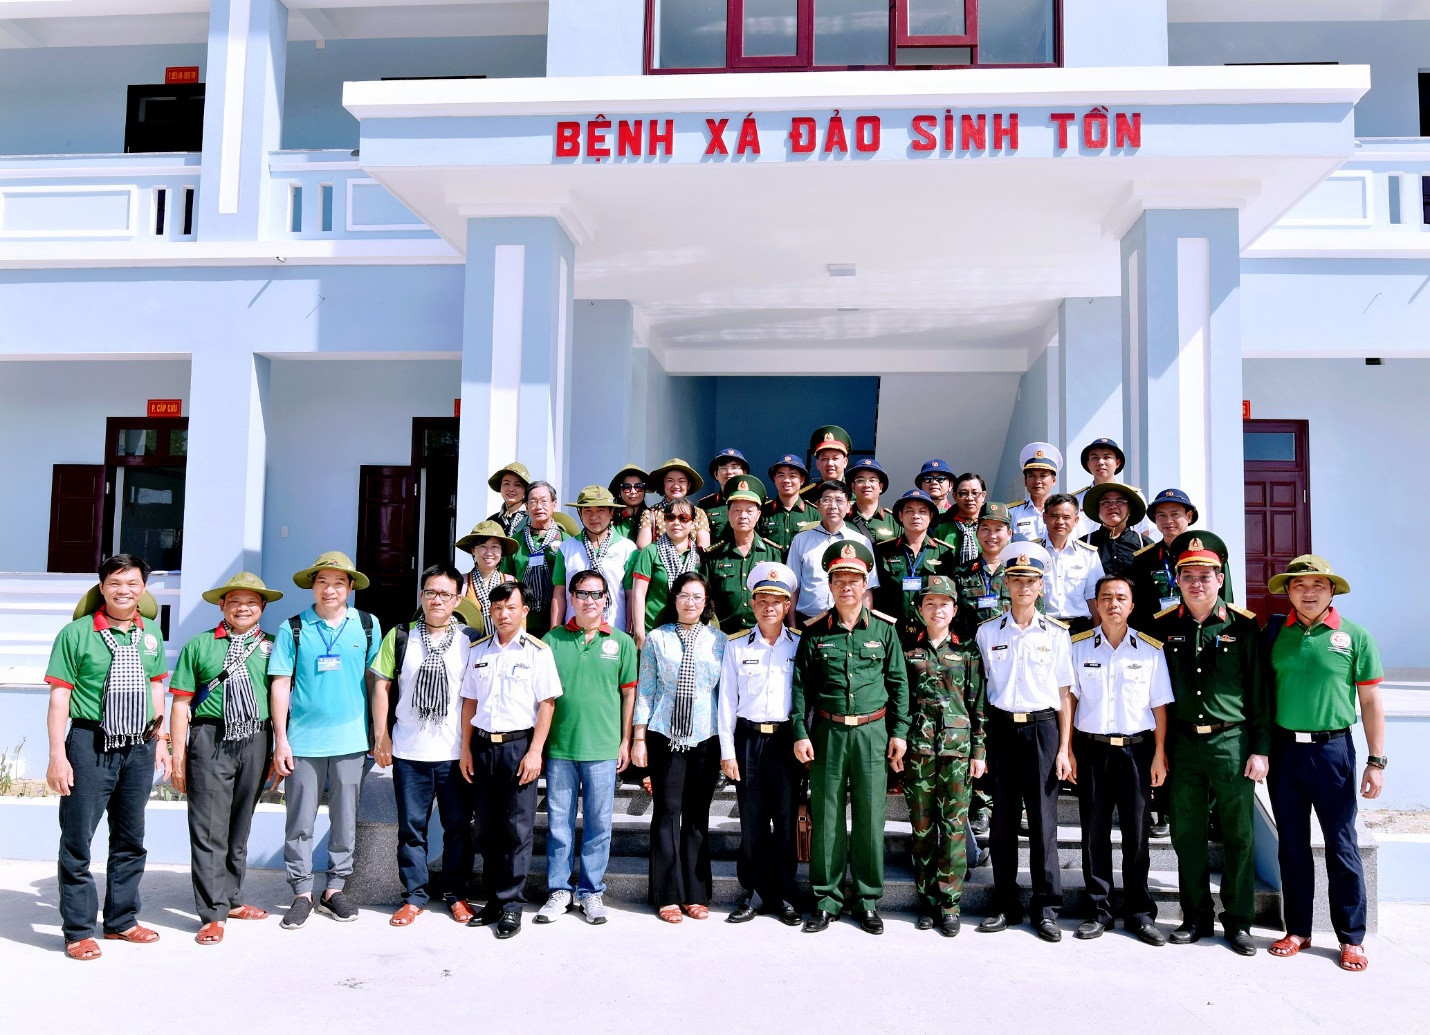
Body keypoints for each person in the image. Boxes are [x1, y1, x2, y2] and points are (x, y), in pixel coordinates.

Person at [44, 555, 171, 960]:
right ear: (102, 588)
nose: (124, 590)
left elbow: (156, 686)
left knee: (131, 838)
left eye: (132, 583)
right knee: (78, 840)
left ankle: (121, 920)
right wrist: (57, 756)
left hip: (139, 745)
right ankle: (78, 930)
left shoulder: (150, 632)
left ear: (143, 589)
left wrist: (161, 739)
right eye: (115, 582)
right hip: (90, 744)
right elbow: (59, 697)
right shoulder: (76, 634)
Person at [1149, 531, 1269, 957]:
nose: (1196, 583)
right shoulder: (1164, 626)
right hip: (1183, 745)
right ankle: (1195, 916)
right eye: (1188, 576)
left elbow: (1259, 692)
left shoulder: (1244, 626)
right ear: (1177, 580)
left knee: (1239, 835)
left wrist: (1261, 749)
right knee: (1187, 834)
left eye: (1205, 575)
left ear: (1220, 579)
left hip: (1231, 742)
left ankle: (1238, 921)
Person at [1264, 556, 1385, 972]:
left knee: (1341, 843)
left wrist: (1376, 760)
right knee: (1292, 844)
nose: (1308, 592)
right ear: (1288, 592)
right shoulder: (1275, 632)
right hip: (1285, 752)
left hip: (1333, 751)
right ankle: (1298, 929)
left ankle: (1351, 937)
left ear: (1332, 590)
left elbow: (1370, 701)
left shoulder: (1355, 636)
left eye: (1318, 584)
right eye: (1299, 585)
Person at [793, 540, 910, 935]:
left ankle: (867, 899)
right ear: (829, 585)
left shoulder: (884, 630)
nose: (846, 586)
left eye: (854, 580)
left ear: (864, 585)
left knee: (870, 818)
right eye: (839, 580)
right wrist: (800, 732)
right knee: (826, 817)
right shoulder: (814, 633)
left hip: (872, 734)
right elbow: (800, 688)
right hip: (827, 733)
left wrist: (900, 732)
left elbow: (898, 684)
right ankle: (826, 899)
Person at [268, 550, 382, 930]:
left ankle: (334, 889)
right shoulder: (293, 628)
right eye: (322, 582)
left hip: (351, 740)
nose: (329, 589)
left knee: (345, 819)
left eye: (337, 583)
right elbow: (280, 683)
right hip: (303, 741)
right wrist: (281, 739)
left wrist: (378, 732)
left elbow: (376, 682)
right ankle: (301, 892)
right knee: (299, 821)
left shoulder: (367, 625)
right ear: (313, 586)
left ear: (349, 587)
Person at [168, 572, 281, 945]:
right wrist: (179, 756)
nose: (243, 608)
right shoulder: (200, 645)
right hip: (210, 737)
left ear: (262, 607)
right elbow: (181, 703)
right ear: (222, 605)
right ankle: (213, 912)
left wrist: (279, 747)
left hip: (257, 736)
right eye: (235, 601)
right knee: (208, 827)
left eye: (251, 602)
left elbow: (282, 698)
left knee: (239, 825)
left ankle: (232, 898)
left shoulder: (273, 646)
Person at [974, 543, 1073, 942]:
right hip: (1001, 731)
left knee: (1044, 822)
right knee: (1002, 823)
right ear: (1006, 583)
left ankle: (1046, 908)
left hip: (1043, 730)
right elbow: (982, 692)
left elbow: (1065, 693)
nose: (1023, 587)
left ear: (1041, 586)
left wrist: (1064, 748)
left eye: (1030, 581)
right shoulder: (987, 632)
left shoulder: (1057, 634)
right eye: (1016, 580)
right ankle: (1005, 904)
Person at [1067, 575, 1172, 946]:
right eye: (1106, 597)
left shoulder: (1149, 650)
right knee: (1093, 832)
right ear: (1096, 604)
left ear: (1132, 605)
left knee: (1137, 834)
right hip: (1092, 749)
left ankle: (1140, 914)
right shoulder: (1078, 647)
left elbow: (1159, 707)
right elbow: (1070, 700)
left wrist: (1159, 753)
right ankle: (1099, 911)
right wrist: (1068, 749)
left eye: (1121, 598)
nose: (1113, 604)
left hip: (1137, 751)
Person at [370, 564, 476, 928]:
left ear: (457, 599)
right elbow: (382, 685)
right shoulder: (401, 636)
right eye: (431, 592)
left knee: (458, 828)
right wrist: (381, 736)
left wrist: (469, 748)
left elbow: (473, 697)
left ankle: (455, 894)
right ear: (422, 595)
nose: (437, 600)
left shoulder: (469, 639)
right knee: (411, 830)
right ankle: (414, 896)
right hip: (409, 752)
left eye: (445, 594)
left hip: (453, 754)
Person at [459, 582, 562, 939]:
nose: (503, 614)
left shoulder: (537, 651)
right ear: (490, 611)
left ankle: (512, 905)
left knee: (516, 830)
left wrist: (535, 751)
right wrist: (466, 749)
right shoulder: (478, 651)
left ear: (524, 611)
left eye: (511, 607)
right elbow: (470, 702)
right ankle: (493, 900)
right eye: (498, 607)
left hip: (519, 748)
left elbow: (547, 703)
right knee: (486, 828)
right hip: (483, 747)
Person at [536, 569, 638, 925]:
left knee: (598, 825)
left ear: (606, 599)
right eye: (582, 593)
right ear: (572, 598)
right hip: (561, 747)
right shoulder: (551, 640)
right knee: (558, 826)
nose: (589, 600)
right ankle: (558, 890)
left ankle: (591, 891)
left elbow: (629, 695)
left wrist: (625, 740)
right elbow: (541, 697)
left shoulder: (621, 643)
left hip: (603, 748)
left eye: (596, 594)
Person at [632, 573, 727, 922]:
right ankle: (667, 895)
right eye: (684, 595)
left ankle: (696, 893)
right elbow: (646, 690)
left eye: (697, 597)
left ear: (706, 604)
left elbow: (724, 694)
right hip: (664, 734)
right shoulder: (657, 639)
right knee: (667, 812)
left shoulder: (720, 641)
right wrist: (639, 738)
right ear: (674, 599)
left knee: (697, 814)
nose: (690, 602)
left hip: (706, 735)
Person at [718, 563, 803, 927]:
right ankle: (753, 891)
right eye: (762, 600)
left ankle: (784, 893)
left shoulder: (799, 644)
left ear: (787, 606)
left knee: (784, 821)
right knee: (752, 822)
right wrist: (727, 752)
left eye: (777, 601)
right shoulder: (736, 645)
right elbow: (726, 701)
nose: (769, 607)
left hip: (786, 743)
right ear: (752, 604)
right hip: (749, 740)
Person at [901, 575, 987, 937]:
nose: (937, 610)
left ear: (954, 610)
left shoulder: (967, 652)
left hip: (957, 751)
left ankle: (950, 904)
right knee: (922, 829)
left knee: (953, 828)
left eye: (944, 604)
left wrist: (979, 751)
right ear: (920, 610)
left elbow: (977, 705)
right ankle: (926, 901)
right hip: (918, 751)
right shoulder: (908, 651)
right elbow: (900, 703)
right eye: (930, 604)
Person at [873, 489, 958, 643]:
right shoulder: (883, 551)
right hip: (891, 632)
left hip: (929, 633)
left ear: (931, 516)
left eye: (922, 511)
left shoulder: (944, 553)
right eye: (909, 511)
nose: (916, 516)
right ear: (900, 516)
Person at [788, 480, 878, 624]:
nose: (833, 506)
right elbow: (793, 588)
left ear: (848, 506)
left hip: (849, 622)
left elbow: (867, 589)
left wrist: (866, 626)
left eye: (839, 501)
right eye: (827, 500)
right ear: (818, 505)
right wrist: (792, 627)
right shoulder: (801, 540)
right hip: (807, 621)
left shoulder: (861, 542)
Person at [702, 475, 784, 631]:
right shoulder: (714, 555)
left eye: (749, 511)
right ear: (728, 514)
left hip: (762, 634)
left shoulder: (773, 553)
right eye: (737, 510)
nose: (743, 516)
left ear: (758, 515)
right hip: (724, 635)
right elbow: (706, 597)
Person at [550, 486, 638, 631]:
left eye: (600, 510)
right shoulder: (567, 548)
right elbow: (559, 592)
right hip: (573, 630)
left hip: (614, 629)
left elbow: (631, 594)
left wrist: (629, 631)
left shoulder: (627, 548)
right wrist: (554, 631)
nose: (594, 516)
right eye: (587, 510)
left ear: (611, 512)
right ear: (580, 513)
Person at [629, 497, 704, 648]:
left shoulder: (700, 555)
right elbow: (638, 594)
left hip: (691, 632)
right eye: (670, 517)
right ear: (664, 521)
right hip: (654, 630)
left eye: (683, 518)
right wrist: (639, 632)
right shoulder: (651, 551)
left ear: (693, 523)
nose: (676, 522)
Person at [504, 480, 568, 637]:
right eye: (533, 501)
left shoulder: (567, 542)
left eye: (544, 501)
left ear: (554, 504)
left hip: (558, 620)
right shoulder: (514, 542)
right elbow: (506, 581)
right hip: (522, 621)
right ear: (526, 506)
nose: (539, 507)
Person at [1040, 492, 1105, 634]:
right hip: (1043, 629)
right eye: (1054, 516)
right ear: (1045, 518)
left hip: (1079, 629)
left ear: (1076, 520)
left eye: (1066, 517)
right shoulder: (1033, 552)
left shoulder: (1088, 555)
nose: (1060, 522)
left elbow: (1093, 599)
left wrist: (1098, 634)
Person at [1073, 438, 1153, 538]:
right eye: (1095, 457)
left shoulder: (1134, 495)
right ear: (1088, 464)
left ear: (1117, 463)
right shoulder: (1076, 500)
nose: (1100, 462)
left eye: (1107, 457)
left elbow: (1143, 533)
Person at [455, 520, 519, 639]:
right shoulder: (460, 583)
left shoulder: (511, 582)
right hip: (469, 644)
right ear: (473, 550)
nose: (489, 552)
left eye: (495, 547)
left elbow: (519, 621)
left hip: (505, 644)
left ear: (501, 551)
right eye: (483, 546)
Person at [1079, 482, 1153, 578]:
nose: (1112, 506)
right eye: (1106, 502)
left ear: (1129, 510)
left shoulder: (1145, 545)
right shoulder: (1083, 544)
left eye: (1120, 501)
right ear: (1098, 510)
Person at [636, 458, 712, 550]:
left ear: (688, 485)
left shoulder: (698, 513)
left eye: (681, 481)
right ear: (663, 484)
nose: (675, 485)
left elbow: (703, 547)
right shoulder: (650, 513)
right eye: (670, 480)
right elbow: (643, 547)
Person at [758, 453, 821, 551]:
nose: (786, 480)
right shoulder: (763, 513)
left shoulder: (815, 514)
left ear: (802, 480)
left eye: (792, 476)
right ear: (775, 479)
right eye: (781, 475)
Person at [1007, 441, 1062, 545]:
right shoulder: (1012, 512)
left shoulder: (1062, 511)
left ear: (1054, 480)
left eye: (1043, 476)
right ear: (1025, 481)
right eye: (1032, 476)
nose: (1037, 481)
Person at [697, 447, 750, 542]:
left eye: (734, 467)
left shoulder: (756, 503)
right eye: (723, 468)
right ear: (716, 474)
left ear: (744, 472)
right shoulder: (705, 505)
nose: (729, 472)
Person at [846, 457, 900, 545]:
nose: (867, 485)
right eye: (860, 480)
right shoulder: (842, 518)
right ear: (853, 487)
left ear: (880, 487)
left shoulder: (894, 521)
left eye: (872, 480)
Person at [934, 472, 986, 562]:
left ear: (983, 495)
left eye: (975, 493)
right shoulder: (942, 529)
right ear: (955, 496)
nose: (970, 498)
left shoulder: (993, 528)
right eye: (963, 493)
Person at [799, 424, 852, 497]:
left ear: (845, 462)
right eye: (824, 459)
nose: (830, 463)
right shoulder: (806, 496)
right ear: (817, 464)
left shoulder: (856, 492)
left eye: (835, 458)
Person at [486, 461, 531, 538]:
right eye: (506, 483)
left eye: (517, 485)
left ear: (525, 489)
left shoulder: (532, 518)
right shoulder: (492, 521)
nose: (511, 489)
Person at [609, 464, 650, 541]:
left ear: (644, 491)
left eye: (638, 486)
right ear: (619, 491)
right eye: (627, 487)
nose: (633, 492)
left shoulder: (653, 517)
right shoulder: (610, 518)